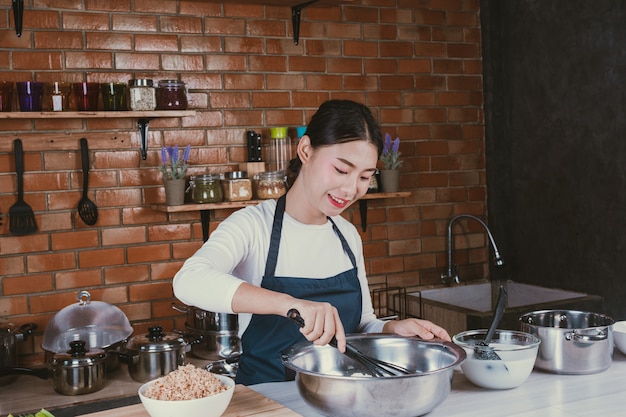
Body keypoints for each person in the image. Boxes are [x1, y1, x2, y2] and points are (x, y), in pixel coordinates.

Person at [172, 99, 450, 385]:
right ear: (306, 150)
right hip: (268, 401)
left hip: (339, 398)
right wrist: (291, 305)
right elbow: (188, 281)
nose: (351, 189)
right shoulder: (253, 226)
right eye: (342, 170)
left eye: (365, 177)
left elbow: (363, 323)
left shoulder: (347, 235)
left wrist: (390, 328)